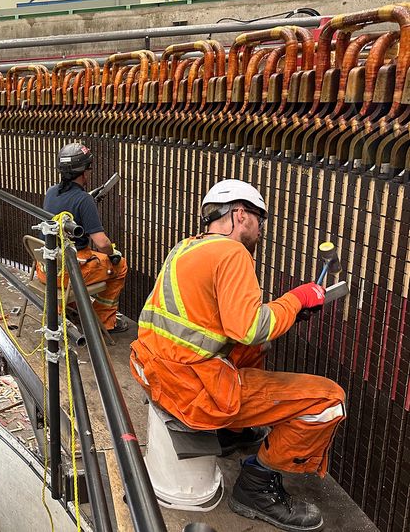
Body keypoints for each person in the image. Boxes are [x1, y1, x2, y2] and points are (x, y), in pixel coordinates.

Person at [130, 179, 346, 531]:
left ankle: (234, 432)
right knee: (328, 400)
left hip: (157, 370)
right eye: (260, 221)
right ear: (241, 215)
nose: (261, 231)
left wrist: (287, 312)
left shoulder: (185, 248)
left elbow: (223, 326)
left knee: (255, 347)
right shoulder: (233, 254)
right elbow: (249, 327)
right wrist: (298, 299)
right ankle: (256, 486)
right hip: (195, 390)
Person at [40, 143, 128, 333]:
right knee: (120, 265)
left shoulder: (51, 191)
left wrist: (86, 200)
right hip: (68, 274)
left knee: (88, 255)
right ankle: (104, 321)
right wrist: (112, 252)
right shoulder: (83, 200)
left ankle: (71, 308)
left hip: (46, 268)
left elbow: (65, 207)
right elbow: (102, 243)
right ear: (84, 171)